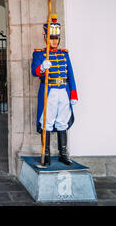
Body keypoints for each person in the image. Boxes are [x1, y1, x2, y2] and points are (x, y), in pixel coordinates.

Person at [31, 14, 78, 166]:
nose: (54, 41)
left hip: (63, 91)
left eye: (56, 38)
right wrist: (42, 67)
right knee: (47, 121)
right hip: (49, 91)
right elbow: (34, 71)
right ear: (46, 38)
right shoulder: (40, 53)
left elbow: (70, 74)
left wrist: (73, 93)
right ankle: (46, 154)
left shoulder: (64, 54)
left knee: (62, 121)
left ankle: (63, 154)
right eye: (51, 38)